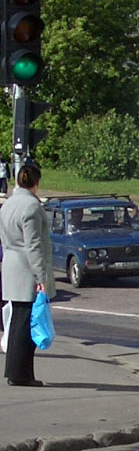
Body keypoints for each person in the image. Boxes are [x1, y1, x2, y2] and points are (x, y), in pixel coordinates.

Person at [0, 163, 56, 387]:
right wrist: (40, 277)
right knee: (27, 326)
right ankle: (22, 374)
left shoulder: (8, 205)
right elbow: (33, 245)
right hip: (27, 269)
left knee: (16, 323)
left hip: (11, 265)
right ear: (37, 182)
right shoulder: (32, 207)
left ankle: (14, 372)